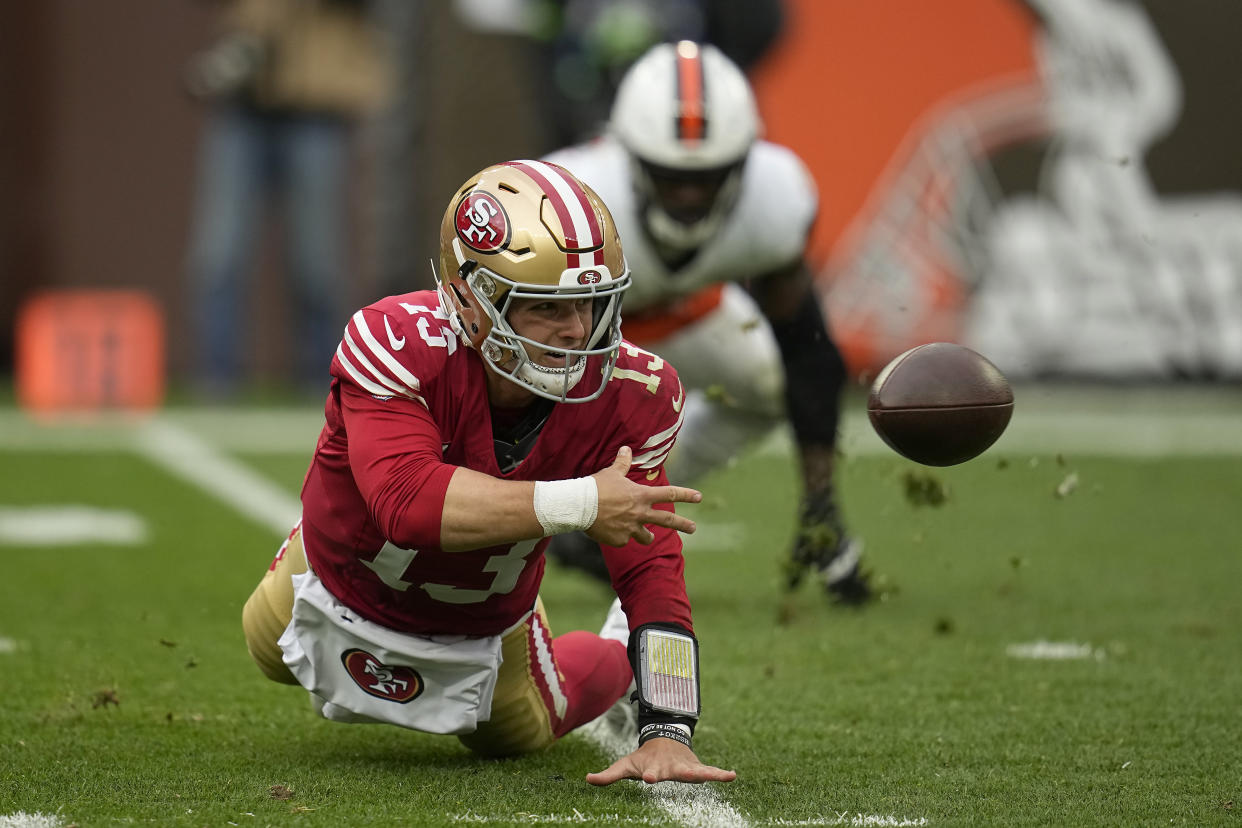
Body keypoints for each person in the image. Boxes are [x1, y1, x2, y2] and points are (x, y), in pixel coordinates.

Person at [241, 160, 736, 786]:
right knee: (266, 646)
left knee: (520, 733)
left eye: (590, 302)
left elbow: (650, 565)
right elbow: (408, 504)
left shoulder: (635, 392)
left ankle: (616, 654)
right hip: (336, 580)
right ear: (472, 299)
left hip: (485, 619)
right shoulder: (396, 340)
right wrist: (582, 502)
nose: (577, 329)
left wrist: (668, 727)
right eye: (545, 307)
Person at [543, 40, 872, 605]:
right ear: (629, 157)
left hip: (689, 312)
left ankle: (622, 508)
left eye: (708, 176)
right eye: (671, 177)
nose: (690, 194)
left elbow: (808, 353)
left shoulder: (774, 200)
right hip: (573, 337)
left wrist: (822, 505)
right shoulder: (570, 199)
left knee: (768, 387)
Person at [183, 0, 391, 396]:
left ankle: (322, 380)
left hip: (318, 103)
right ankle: (215, 379)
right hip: (243, 97)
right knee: (219, 252)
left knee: (317, 259)